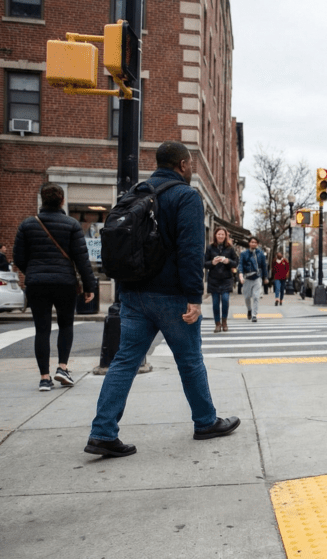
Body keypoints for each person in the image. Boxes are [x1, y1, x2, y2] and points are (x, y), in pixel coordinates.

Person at [85, 141, 239, 458]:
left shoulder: (135, 194)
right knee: (190, 361)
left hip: (134, 296)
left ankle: (102, 433)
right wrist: (195, 297)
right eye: (190, 163)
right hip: (172, 298)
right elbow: (191, 253)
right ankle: (206, 422)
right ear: (183, 164)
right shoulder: (185, 197)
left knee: (124, 362)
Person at [13, 184, 97, 392]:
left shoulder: (27, 225)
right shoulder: (71, 224)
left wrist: (33, 272)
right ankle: (62, 368)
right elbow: (81, 259)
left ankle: (44, 378)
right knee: (65, 325)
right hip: (64, 283)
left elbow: (18, 258)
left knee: (41, 329)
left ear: (42, 200)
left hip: (36, 284)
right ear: (62, 201)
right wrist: (89, 286)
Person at [204, 226, 238, 333]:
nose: (221, 236)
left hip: (226, 279)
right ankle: (217, 324)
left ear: (225, 236)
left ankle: (224, 322)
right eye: (219, 234)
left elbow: (236, 262)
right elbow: (205, 263)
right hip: (214, 279)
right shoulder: (210, 248)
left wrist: (227, 261)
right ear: (215, 235)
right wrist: (212, 263)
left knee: (225, 300)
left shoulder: (230, 248)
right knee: (215, 303)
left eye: (223, 234)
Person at [237, 237, 267, 322]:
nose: (253, 244)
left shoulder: (261, 254)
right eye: (252, 242)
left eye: (255, 242)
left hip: (257, 278)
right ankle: (249, 309)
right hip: (247, 278)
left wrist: (266, 277)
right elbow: (241, 266)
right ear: (249, 243)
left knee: (256, 297)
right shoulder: (244, 254)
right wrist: (241, 276)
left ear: (257, 244)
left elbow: (264, 266)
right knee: (247, 297)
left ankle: (254, 315)